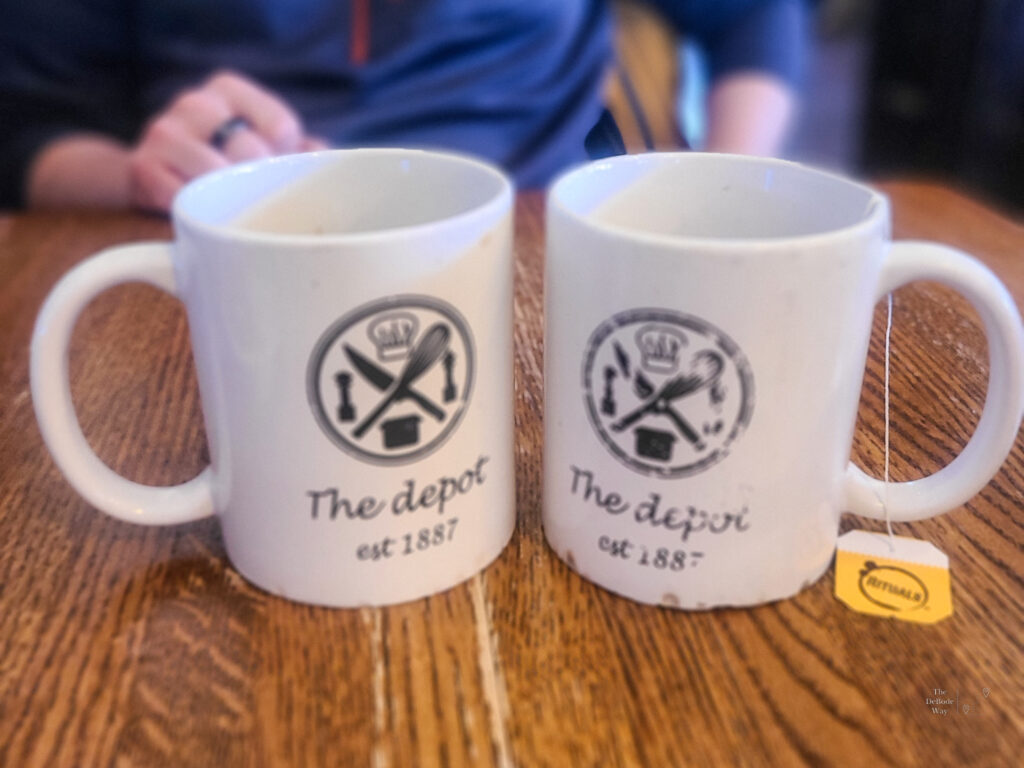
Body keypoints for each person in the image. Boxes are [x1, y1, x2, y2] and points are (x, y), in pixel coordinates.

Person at [0, 0, 810, 212]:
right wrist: (143, 176)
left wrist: (724, 191)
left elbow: (750, 15)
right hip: (212, 241)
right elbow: (27, 131)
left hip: (542, 227)